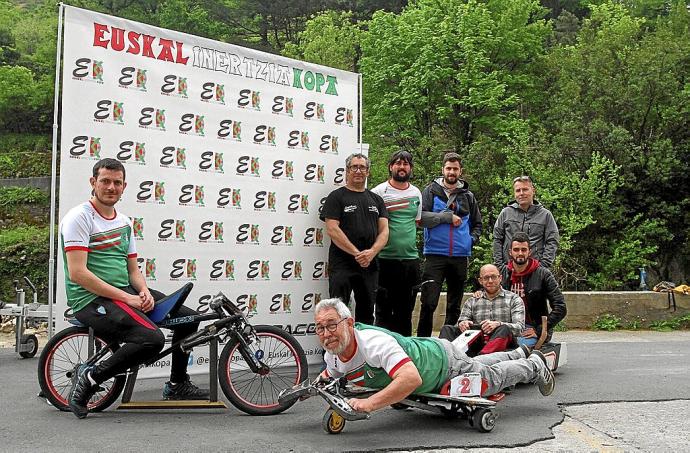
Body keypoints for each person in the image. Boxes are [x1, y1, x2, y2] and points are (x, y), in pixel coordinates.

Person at [61, 158, 208, 419]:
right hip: (90, 299)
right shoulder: (79, 218)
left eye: (117, 182)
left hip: (124, 291)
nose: (111, 187)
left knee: (189, 320)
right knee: (151, 339)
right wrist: (127, 299)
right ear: (93, 182)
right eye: (105, 181)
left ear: (124, 186)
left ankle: (177, 385)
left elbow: (132, 270)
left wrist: (143, 292)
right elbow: (78, 273)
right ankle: (91, 378)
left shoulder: (125, 222)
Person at [314, 298, 554, 413]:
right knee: (476, 364)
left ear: (350, 323)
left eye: (332, 325)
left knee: (489, 379)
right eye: (320, 328)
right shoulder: (332, 354)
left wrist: (370, 403)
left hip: (443, 364)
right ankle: (519, 353)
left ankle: (534, 364)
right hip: (434, 353)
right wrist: (313, 385)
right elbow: (332, 372)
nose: (327, 333)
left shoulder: (374, 344)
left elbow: (410, 380)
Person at [417, 152, 482, 337]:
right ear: (443, 169)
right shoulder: (430, 191)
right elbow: (420, 218)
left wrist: (470, 240)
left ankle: (448, 344)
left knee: (455, 305)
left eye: (455, 168)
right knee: (429, 302)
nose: (451, 172)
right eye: (448, 168)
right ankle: (423, 342)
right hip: (435, 254)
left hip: (460, 256)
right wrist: (446, 217)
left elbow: (478, 224)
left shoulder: (468, 196)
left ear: (460, 171)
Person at [320, 153, 389, 324]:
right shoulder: (336, 197)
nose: (358, 171)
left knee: (367, 314)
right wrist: (358, 254)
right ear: (347, 171)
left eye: (362, 167)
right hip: (342, 265)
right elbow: (332, 229)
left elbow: (385, 231)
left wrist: (371, 253)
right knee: (337, 313)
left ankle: (362, 350)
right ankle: (334, 351)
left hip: (369, 265)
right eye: (354, 167)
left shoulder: (376, 200)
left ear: (368, 171)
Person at [370, 150, 422, 335]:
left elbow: (416, 222)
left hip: (410, 261)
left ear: (410, 168)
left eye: (406, 164)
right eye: (398, 163)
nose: (402, 167)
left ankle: (404, 358)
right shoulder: (378, 192)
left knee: (405, 314)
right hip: (384, 260)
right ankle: (381, 357)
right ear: (391, 167)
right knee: (383, 313)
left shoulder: (416, 192)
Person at [439, 264, 524, 354]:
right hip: (476, 342)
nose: (490, 281)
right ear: (480, 281)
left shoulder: (514, 299)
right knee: (447, 329)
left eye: (494, 277)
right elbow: (461, 322)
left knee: (504, 328)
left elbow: (520, 328)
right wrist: (463, 323)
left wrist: (498, 324)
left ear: (500, 278)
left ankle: (482, 358)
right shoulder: (472, 301)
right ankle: (447, 357)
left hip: (501, 345)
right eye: (486, 278)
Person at [500, 232, 567, 347]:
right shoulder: (502, 273)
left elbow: (561, 307)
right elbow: (488, 292)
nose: (520, 253)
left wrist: (540, 329)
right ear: (510, 252)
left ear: (529, 252)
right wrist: (479, 293)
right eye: (516, 250)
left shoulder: (543, 274)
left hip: (531, 328)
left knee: (516, 348)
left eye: (523, 250)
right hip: (507, 326)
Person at [493, 175, 559, 273]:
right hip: (509, 269)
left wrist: (543, 266)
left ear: (533, 190)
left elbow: (552, 241)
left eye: (525, 189)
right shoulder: (505, 213)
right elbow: (497, 239)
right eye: (518, 190)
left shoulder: (545, 215)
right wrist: (500, 266)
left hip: (536, 270)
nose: (521, 193)